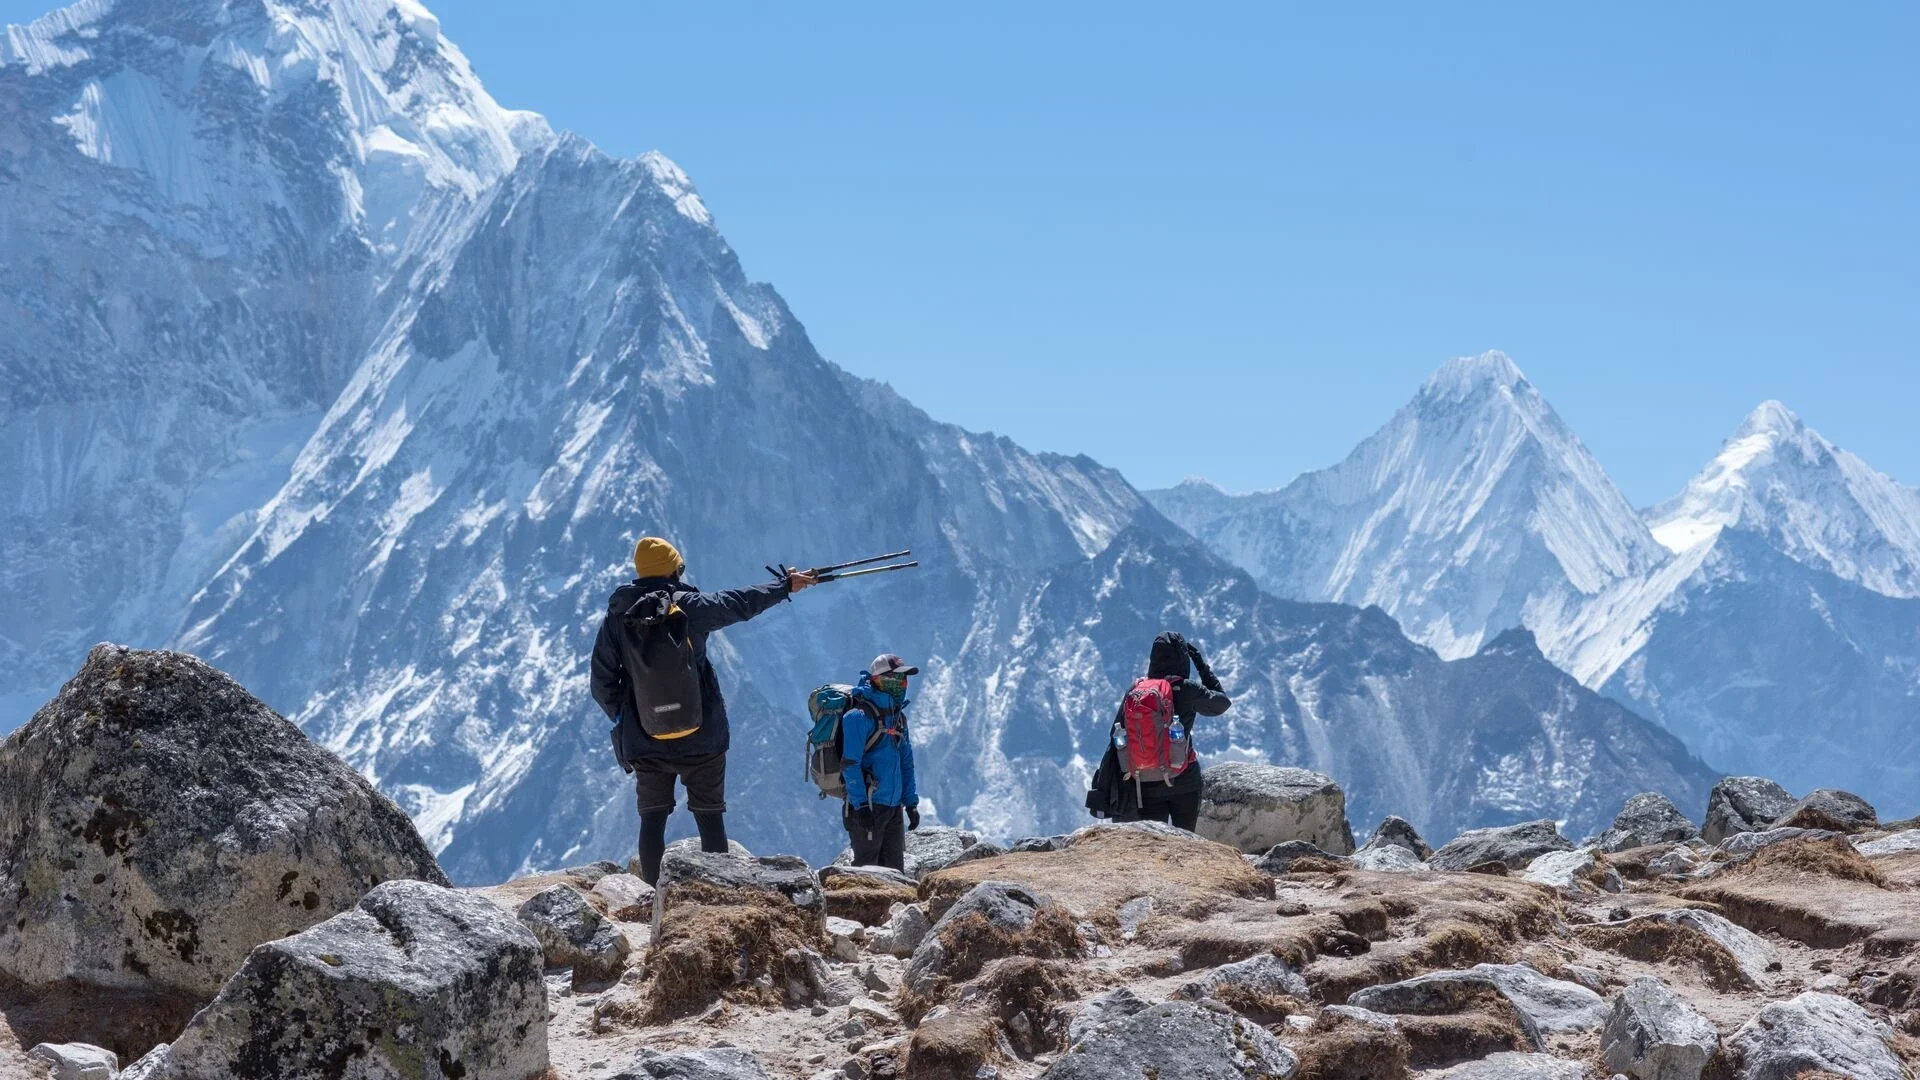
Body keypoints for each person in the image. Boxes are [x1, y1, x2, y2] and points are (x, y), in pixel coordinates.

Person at [590, 536, 815, 884]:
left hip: (646, 738)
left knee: (652, 819)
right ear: (674, 570)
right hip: (702, 736)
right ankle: (717, 894)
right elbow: (738, 602)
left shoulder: (619, 616)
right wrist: (783, 586)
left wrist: (629, 717)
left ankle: (652, 898)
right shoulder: (690, 607)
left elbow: (602, 680)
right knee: (710, 817)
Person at [1090, 631, 1230, 831]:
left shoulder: (1136, 691)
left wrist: (1104, 785)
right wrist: (1200, 664)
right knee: (1188, 840)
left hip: (1146, 784)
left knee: (1157, 842)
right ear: (1182, 658)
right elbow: (1222, 703)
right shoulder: (1187, 689)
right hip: (1185, 781)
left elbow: (1116, 733)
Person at [840, 653, 921, 872]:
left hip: (894, 807)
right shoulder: (857, 717)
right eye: (896, 678)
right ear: (879, 680)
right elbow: (849, 764)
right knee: (866, 871)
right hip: (868, 806)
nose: (902, 684)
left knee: (895, 872)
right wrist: (861, 806)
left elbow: (906, 762)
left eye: (903, 679)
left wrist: (911, 803)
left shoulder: (898, 718)